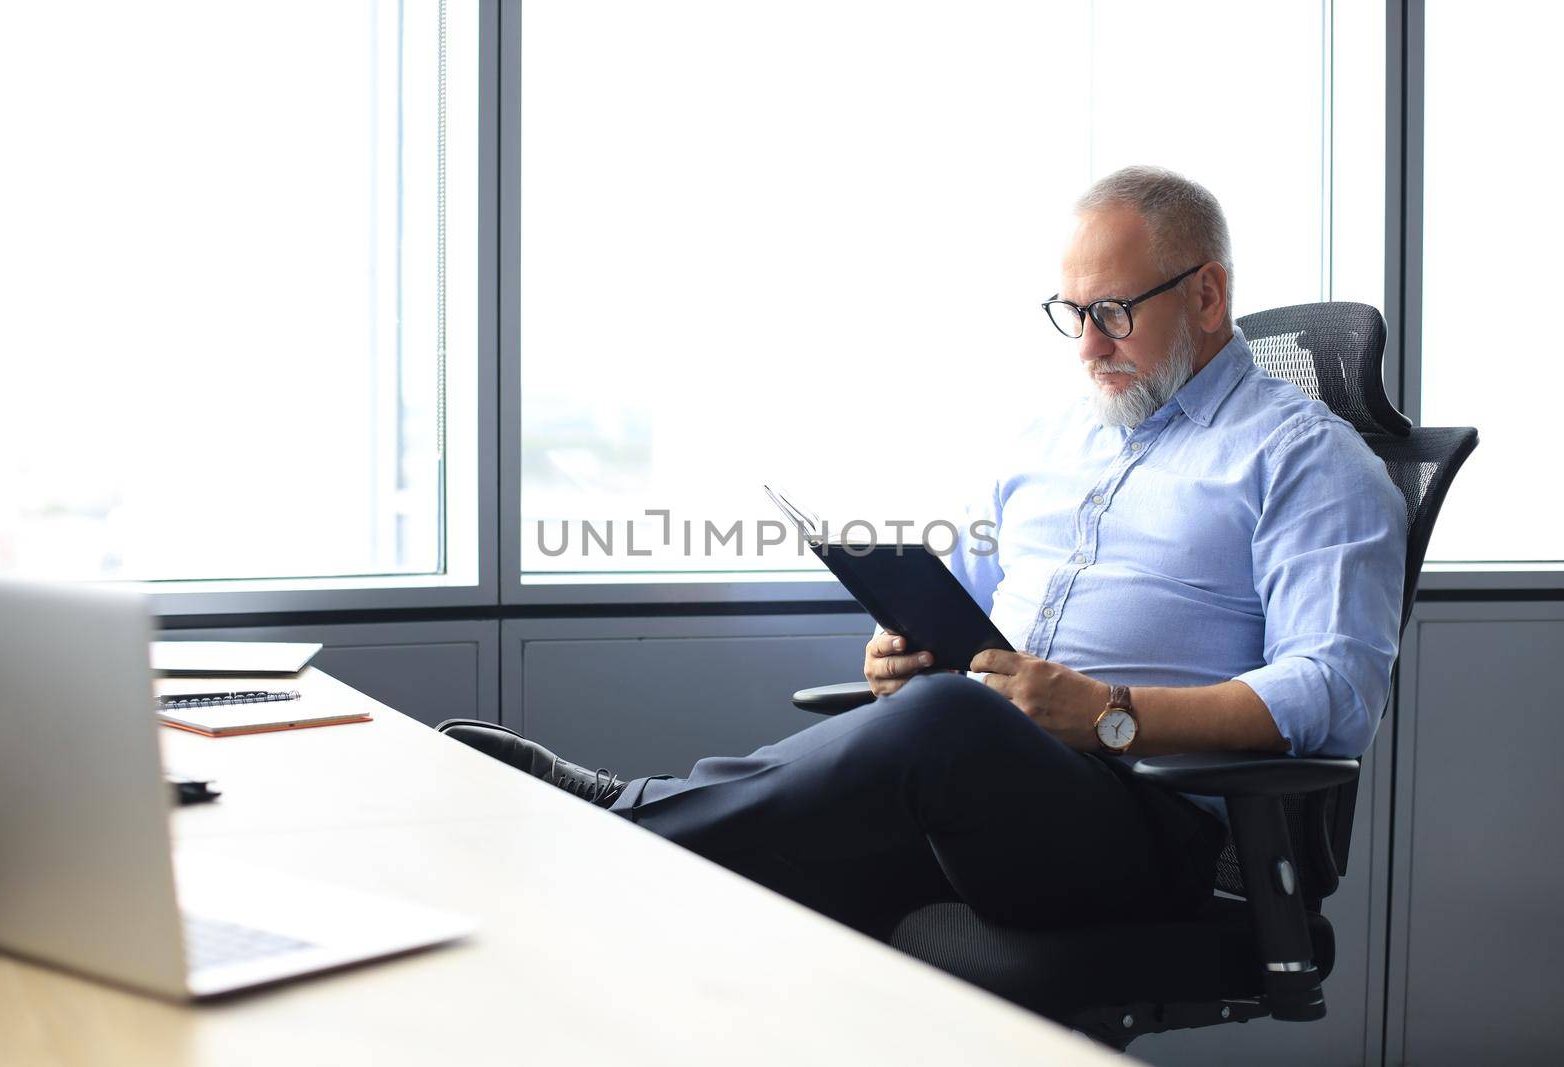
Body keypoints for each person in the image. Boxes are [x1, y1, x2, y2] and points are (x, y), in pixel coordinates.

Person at [440, 165, 1407, 942]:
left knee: (941, 724)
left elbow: (1334, 691)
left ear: (1207, 294)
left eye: (1113, 312)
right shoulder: (1050, 439)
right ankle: (610, 866)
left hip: (1155, 823)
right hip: (986, 789)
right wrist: (899, 653)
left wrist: (1110, 715)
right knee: (751, 917)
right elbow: (966, 598)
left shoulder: (1309, 461)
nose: (1086, 347)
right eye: (1070, 314)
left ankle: (617, 818)